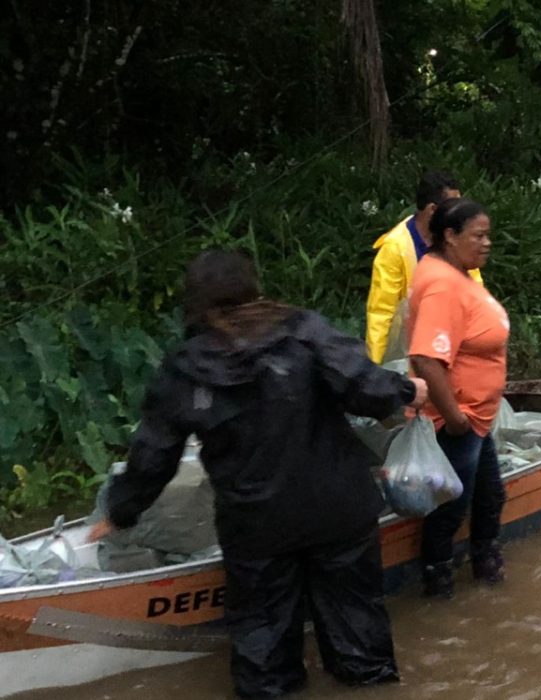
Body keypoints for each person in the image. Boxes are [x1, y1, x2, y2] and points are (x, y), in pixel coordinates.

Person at [90, 251, 429, 698]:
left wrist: (120, 511)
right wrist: (408, 389)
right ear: (253, 286)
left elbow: (154, 454)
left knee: (264, 655)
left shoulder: (185, 368)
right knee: (359, 639)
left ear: (194, 301)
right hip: (337, 509)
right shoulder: (304, 330)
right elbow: (365, 387)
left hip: (257, 524)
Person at [408, 198, 511, 599]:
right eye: (479, 236)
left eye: (489, 236)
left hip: (476, 418)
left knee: (490, 496)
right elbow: (426, 357)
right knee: (452, 506)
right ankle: (438, 582)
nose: (487, 244)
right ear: (450, 236)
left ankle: (485, 568)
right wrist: (453, 417)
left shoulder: (455, 273)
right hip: (459, 419)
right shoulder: (442, 283)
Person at [366, 170, 483, 364]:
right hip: (405, 353)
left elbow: (476, 293)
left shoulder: (457, 239)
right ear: (432, 210)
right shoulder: (396, 248)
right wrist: (374, 369)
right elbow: (381, 313)